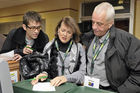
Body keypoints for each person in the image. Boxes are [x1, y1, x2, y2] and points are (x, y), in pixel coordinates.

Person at [81, 2, 140, 93]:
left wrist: (121, 92)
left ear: (110, 23)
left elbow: (138, 74)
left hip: (110, 90)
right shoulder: (87, 38)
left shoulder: (127, 41)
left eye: (99, 24)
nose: (94, 27)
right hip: (88, 87)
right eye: (93, 22)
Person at [31, 16, 86, 86]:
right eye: (63, 30)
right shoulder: (48, 47)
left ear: (72, 35)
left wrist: (65, 78)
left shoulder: (79, 48)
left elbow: (82, 74)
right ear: (58, 30)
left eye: (69, 32)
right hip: (53, 87)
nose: (65, 34)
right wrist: (43, 75)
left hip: (72, 88)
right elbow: (45, 68)